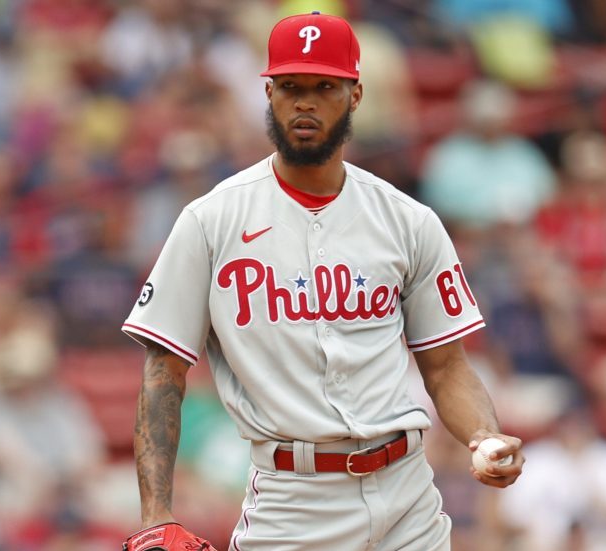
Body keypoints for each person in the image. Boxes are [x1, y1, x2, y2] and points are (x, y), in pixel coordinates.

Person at [120, 12, 525, 551]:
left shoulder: (408, 221)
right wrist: (156, 515)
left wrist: (483, 433)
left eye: (323, 87)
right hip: (293, 499)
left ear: (355, 95)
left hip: (408, 495)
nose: (304, 103)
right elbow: (162, 371)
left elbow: (448, 367)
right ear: (268, 94)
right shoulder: (210, 221)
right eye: (289, 87)